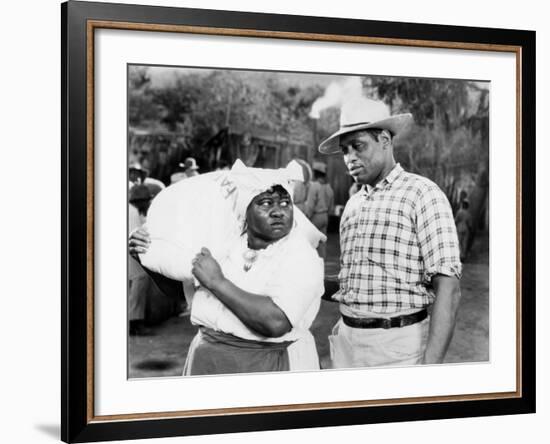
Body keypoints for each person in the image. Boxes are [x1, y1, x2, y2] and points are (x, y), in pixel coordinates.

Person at [129, 165, 324, 375]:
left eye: (285, 203)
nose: (278, 212)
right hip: (207, 359)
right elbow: (183, 296)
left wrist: (217, 282)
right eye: (266, 203)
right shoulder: (225, 245)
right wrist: (144, 258)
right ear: (244, 211)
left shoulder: (300, 254)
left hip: (262, 366)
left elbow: (276, 322)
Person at [318, 97, 462, 368]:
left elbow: (449, 289)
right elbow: (363, 284)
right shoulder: (353, 203)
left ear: (384, 139)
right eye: (345, 150)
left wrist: (429, 370)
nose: (350, 158)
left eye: (358, 146)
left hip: (398, 348)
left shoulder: (422, 194)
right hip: (346, 342)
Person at [304, 161, 334, 259]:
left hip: (315, 216)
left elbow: (310, 205)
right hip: (325, 216)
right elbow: (331, 206)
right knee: (322, 243)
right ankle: (322, 264)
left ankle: (312, 265)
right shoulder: (329, 187)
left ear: (315, 173)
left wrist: (306, 217)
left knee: (310, 242)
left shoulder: (314, 186)